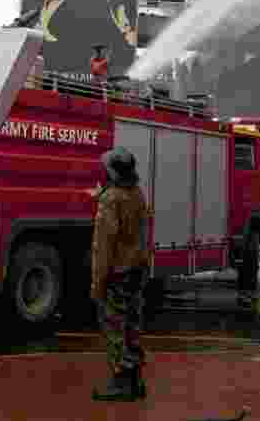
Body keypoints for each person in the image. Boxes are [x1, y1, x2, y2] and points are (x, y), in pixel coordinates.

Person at [91, 147, 152, 402]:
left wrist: (98, 284)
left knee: (115, 326)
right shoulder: (137, 194)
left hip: (118, 273)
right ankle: (135, 379)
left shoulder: (111, 199)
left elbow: (103, 246)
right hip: (137, 270)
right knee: (133, 325)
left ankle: (120, 381)